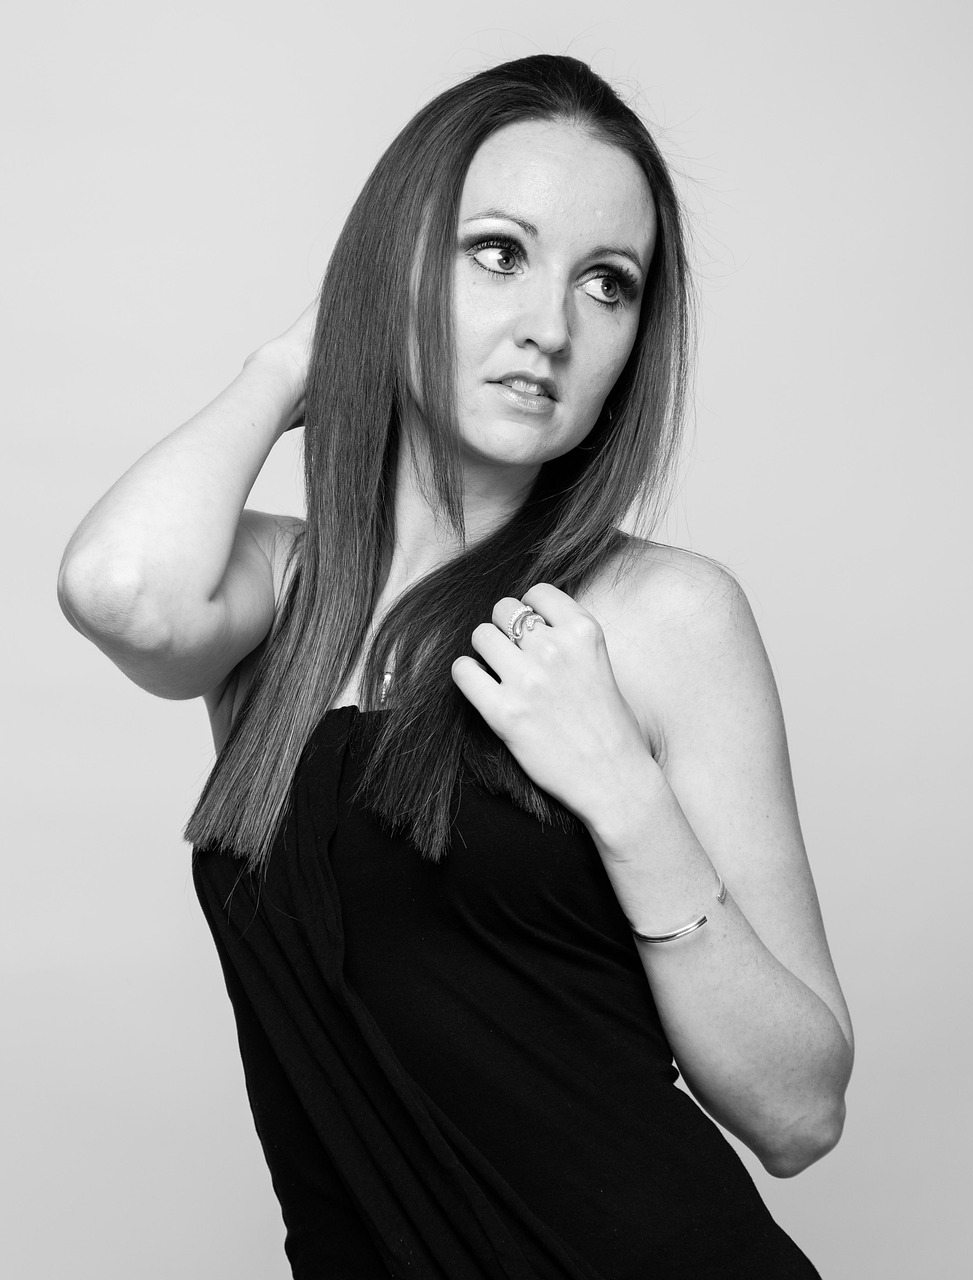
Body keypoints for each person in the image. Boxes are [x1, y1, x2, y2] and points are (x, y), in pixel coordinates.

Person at [57, 54, 853, 1280]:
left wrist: (625, 794)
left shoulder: (662, 615)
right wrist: (294, 362)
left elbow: (800, 1109)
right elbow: (117, 589)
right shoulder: (285, 598)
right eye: (497, 253)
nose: (552, 326)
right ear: (398, 271)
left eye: (608, 283)